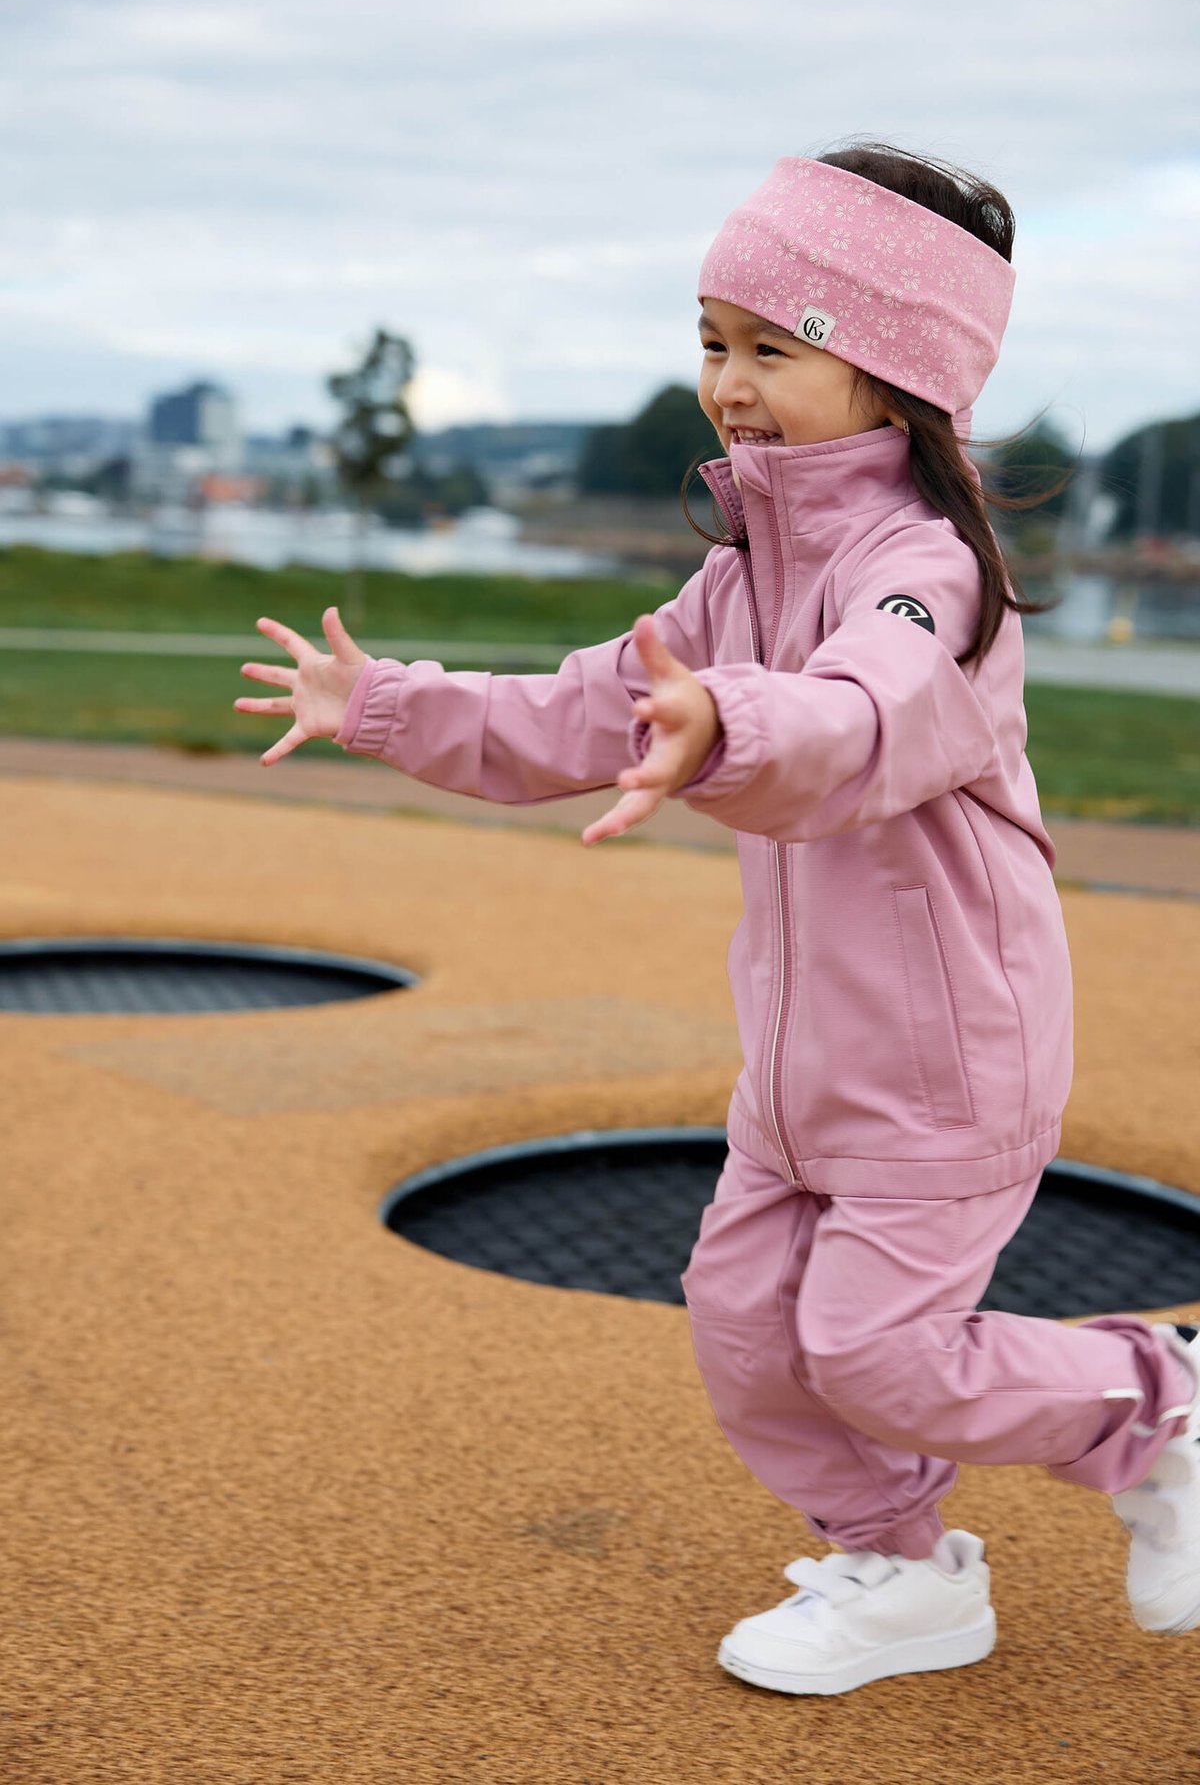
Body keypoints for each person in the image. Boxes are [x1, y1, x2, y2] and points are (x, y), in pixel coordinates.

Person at [234, 140, 1200, 1696]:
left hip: (949, 1062)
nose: (729, 385)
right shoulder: (736, 577)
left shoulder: (928, 573)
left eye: (775, 348)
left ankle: (1155, 1402)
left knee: (878, 1350)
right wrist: (390, 705)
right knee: (747, 1333)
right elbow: (585, 705)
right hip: (803, 1067)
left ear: (898, 376)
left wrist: (727, 725)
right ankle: (905, 1572)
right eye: (712, 341)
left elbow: (859, 711)